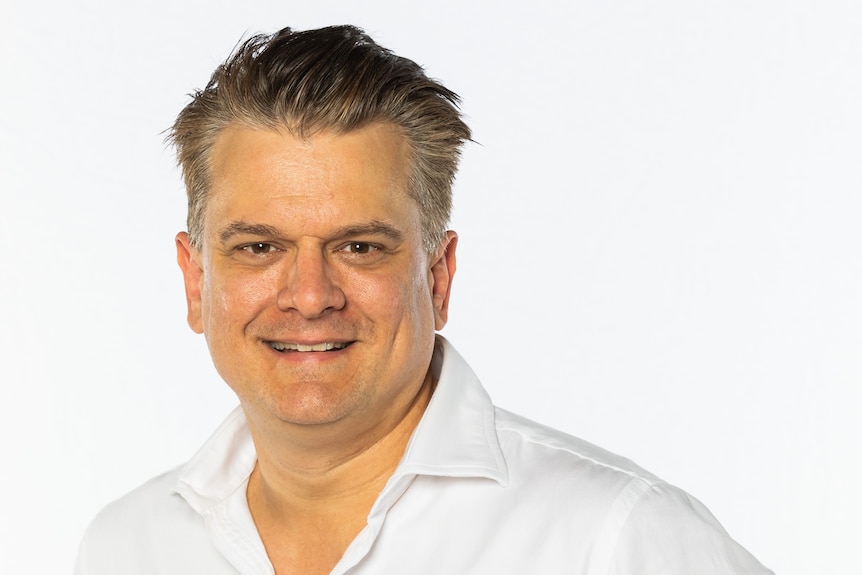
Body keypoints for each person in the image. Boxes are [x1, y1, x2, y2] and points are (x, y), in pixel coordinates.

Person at [75, 25, 773, 575]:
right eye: (260, 247)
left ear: (438, 277)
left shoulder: (614, 539)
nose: (311, 295)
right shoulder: (126, 547)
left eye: (360, 246)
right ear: (196, 280)